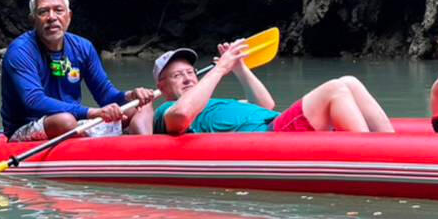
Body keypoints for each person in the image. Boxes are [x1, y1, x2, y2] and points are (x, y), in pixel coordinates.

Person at [0, 0, 156, 141]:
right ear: (33, 20)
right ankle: (94, 151)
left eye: (58, 10)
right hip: (29, 126)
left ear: (69, 16)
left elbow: (106, 95)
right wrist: (92, 112)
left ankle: (144, 151)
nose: (52, 17)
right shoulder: (20, 51)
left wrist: (131, 95)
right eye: (43, 12)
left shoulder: (83, 47)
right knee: (65, 121)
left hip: (76, 123)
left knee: (136, 107)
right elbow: (34, 100)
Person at [152, 40, 394, 135]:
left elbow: (266, 104)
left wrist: (239, 68)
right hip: (274, 134)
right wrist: (220, 69)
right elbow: (182, 116)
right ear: (162, 87)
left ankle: (389, 143)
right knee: (335, 89)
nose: (187, 79)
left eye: (190, 73)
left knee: (349, 82)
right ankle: (368, 152)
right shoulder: (167, 109)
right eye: (177, 76)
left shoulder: (215, 104)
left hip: (276, 123)